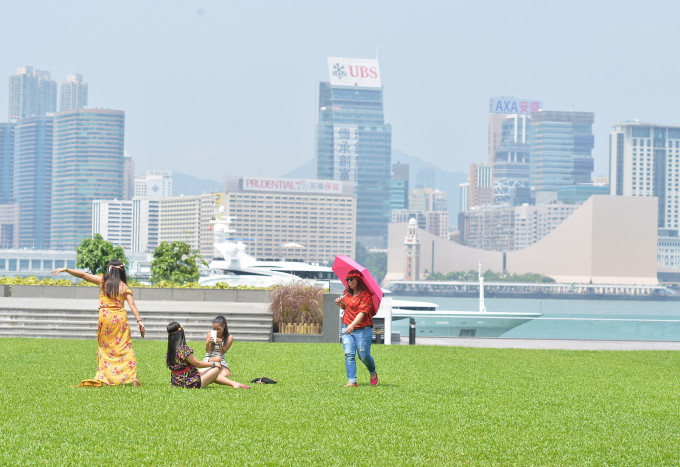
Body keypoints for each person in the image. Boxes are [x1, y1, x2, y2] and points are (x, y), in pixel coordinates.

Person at [52, 260, 144, 387]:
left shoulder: (103, 281)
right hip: (120, 319)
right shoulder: (125, 287)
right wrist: (139, 321)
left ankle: (105, 377)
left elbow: (83, 275)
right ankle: (133, 377)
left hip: (105, 318)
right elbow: (132, 304)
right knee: (125, 346)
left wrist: (67, 269)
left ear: (110, 270)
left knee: (105, 347)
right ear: (122, 271)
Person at [165, 321, 249, 389]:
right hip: (190, 383)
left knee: (207, 370)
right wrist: (213, 364)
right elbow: (198, 364)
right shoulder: (183, 350)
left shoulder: (169, 351)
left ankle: (234, 383)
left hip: (176, 381)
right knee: (215, 369)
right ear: (181, 334)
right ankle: (234, 384)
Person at [334, 269, 379, 387]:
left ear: (358, 279)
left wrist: (352, 325)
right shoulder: (347, 294)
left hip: (363, 329)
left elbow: (362, 312)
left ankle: (373, 373)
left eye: (351, 279)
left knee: (363, 356)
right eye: (347, 279)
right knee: (348, 354)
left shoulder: (366, 295)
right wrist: (341, 304)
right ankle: (352, 381)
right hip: (347, 328)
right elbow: (348, 308)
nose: (349, 281)